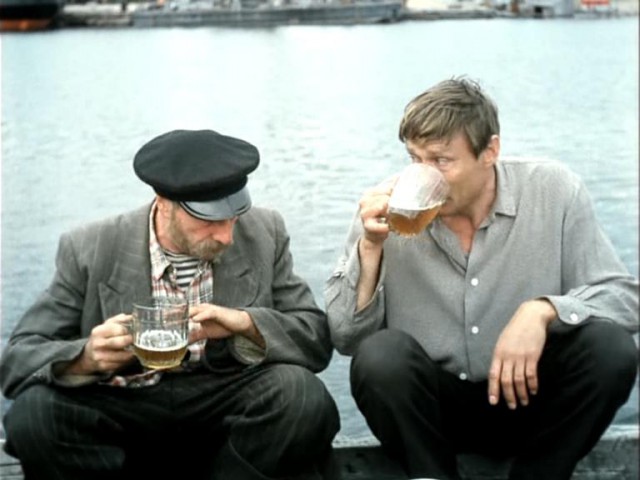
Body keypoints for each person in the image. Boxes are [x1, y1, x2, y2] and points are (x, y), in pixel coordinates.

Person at [325, 78, 639, 480]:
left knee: (611, 348)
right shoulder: (385, 212)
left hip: (532, 402)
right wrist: (370, 248)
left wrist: (543, 311)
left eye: (441, 161)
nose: (424, 175)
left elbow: (624, 298)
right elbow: (346, 338)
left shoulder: (554, 190)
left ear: (490, 151)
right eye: (414, 158)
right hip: (435, 417)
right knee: (379, 356)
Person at [0, 129, 340, 480]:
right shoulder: (88, 246)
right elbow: (17, 362)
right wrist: (86, 358)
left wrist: (245, 323)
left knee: (302, 395)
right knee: (33, 415)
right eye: (209, 220)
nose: (227, 236)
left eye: (234, 216)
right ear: (163, 203)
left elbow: (314, 339)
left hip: (225, 395)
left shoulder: (266, 230)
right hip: (124, 402)